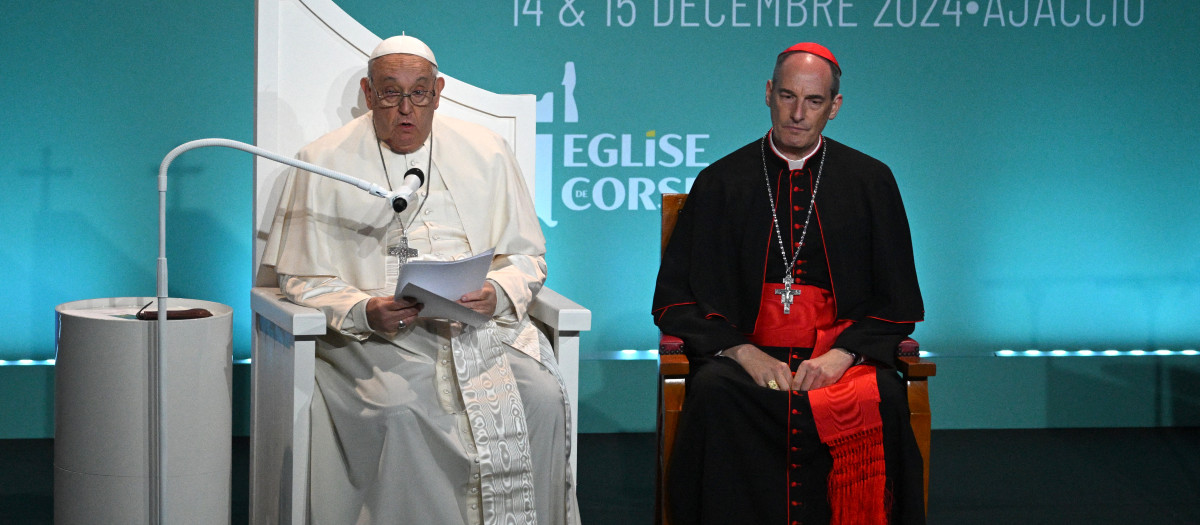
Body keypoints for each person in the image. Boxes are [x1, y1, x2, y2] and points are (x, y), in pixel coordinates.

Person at [262, 35, 579, 525]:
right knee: (398, 411)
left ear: (440, 91)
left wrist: (496, 294)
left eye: (420, 93)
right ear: (368, 94)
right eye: (391, 94)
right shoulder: (323, 160)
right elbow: (302, 277)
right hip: (376, 339)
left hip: (480, 329)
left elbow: (528, 257)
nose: (405, 109)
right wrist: (365, 311)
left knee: (540, 397)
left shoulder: (486, 151)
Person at [652, 42, 926, 525]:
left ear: (834, 107)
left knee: (882, 393)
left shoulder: (871, 180)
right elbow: (674, 300)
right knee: (714, 392)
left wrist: (843, 355)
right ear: (767, 94)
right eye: (786, 96)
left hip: (840, 353)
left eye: (814, 101)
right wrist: (741, 351)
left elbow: (899, 299)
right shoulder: (721, 181)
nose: (797, 114)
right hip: (747, 356)